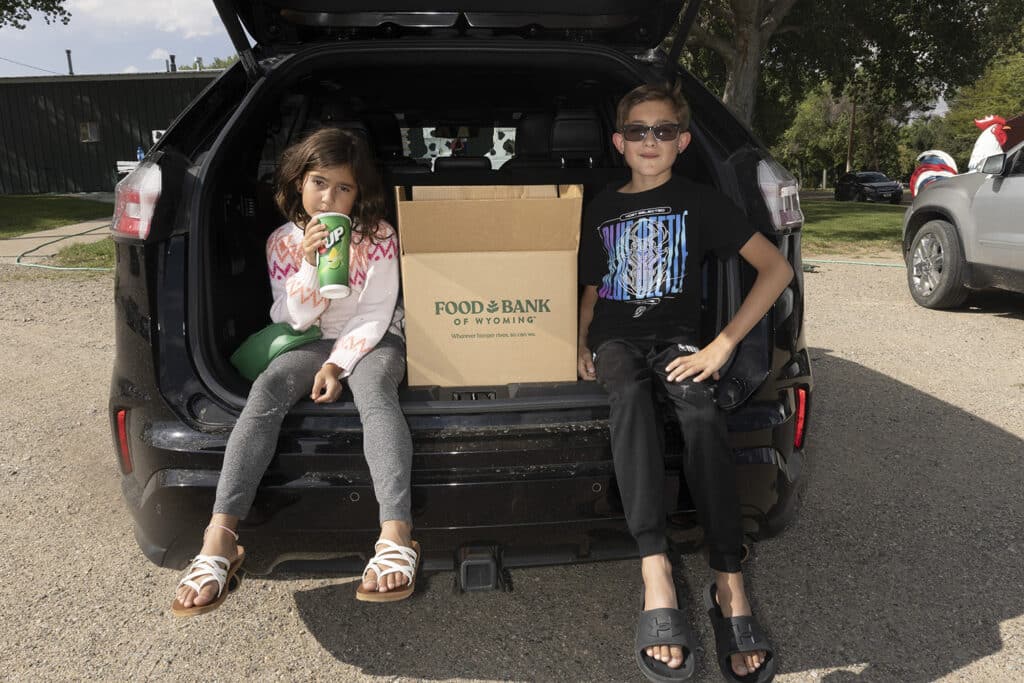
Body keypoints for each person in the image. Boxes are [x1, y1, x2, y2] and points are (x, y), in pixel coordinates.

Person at [577, 83, 792, 682]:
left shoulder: (699, 201)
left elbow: (776, 269)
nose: (651, 140)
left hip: (678, 341)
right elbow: (594, 290)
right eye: (639, 131)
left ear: (683, 141)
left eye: (664, 130)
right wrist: (578, 339)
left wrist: (723, 343)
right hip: (616, 340)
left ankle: (730, 584)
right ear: (620, 142)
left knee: (700, 413)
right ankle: (656, 571)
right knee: (627, 396)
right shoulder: (600, 207)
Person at [172, 127, 418, 616]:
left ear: (359, 193)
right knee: (268, 389)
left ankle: (396, 534)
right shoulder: (282, 241)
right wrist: (309, 263)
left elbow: (374, 312)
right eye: (319, 182)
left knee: (374, 394)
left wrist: (336, 364)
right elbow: (292, 318)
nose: (330, 197)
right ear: (298, 183)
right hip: (310, 339)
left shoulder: (380, 236)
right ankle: (220, 537)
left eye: (344, 188)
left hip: (375, 338)